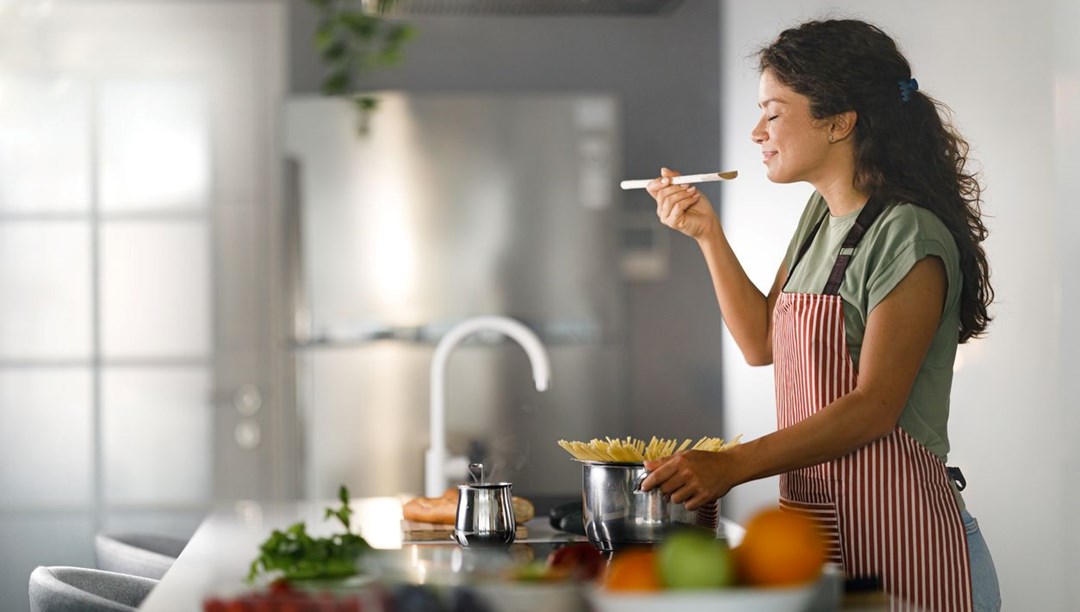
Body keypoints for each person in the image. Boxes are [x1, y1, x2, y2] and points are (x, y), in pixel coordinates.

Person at [638, 18, 1000, 611]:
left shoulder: (907, 233)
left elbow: (874, 408)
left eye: (774, 112)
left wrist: (731, 466)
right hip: (822, 541)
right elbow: (760, 344)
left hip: (907, 547)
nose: (757, 131)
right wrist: (707, 235)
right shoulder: (818, 219)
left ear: (840, 122)